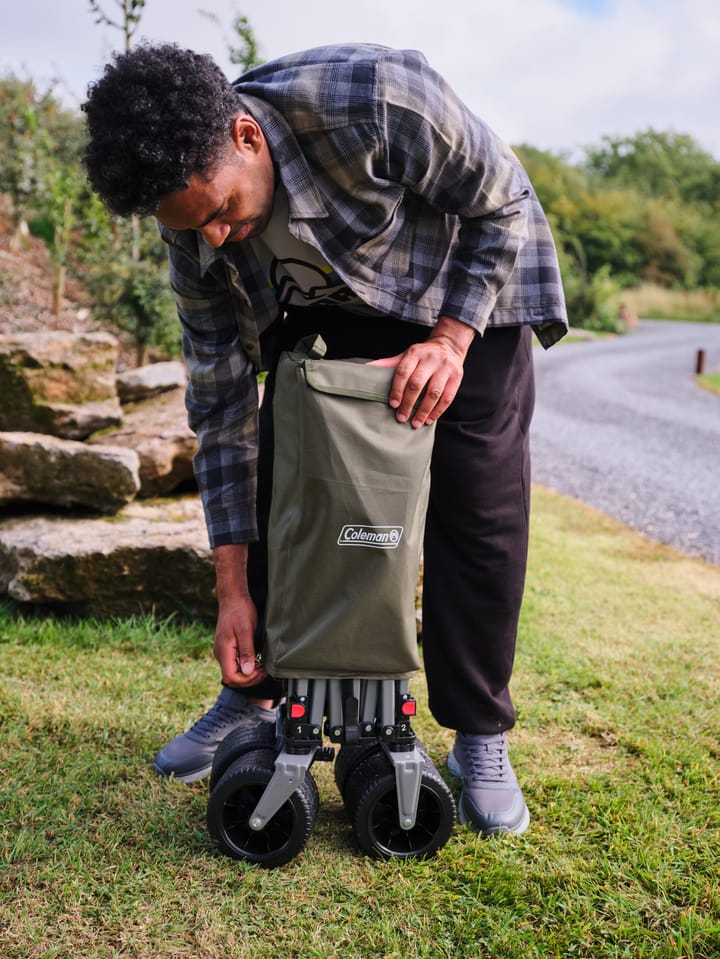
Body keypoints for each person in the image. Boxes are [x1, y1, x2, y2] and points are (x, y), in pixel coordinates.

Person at [82, 41, 568, 835]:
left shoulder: (374, 97)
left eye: (220, 211)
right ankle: (256, 693)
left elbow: (502, 199)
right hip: (333, 308)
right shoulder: (194, 228)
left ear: (246, 137)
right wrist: (231, 589)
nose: (214, 238)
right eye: (193, 228)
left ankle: (479, 731)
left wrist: (450, 341)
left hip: (470, 295)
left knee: (477, 511)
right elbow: (222, 401)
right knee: (290, 484)